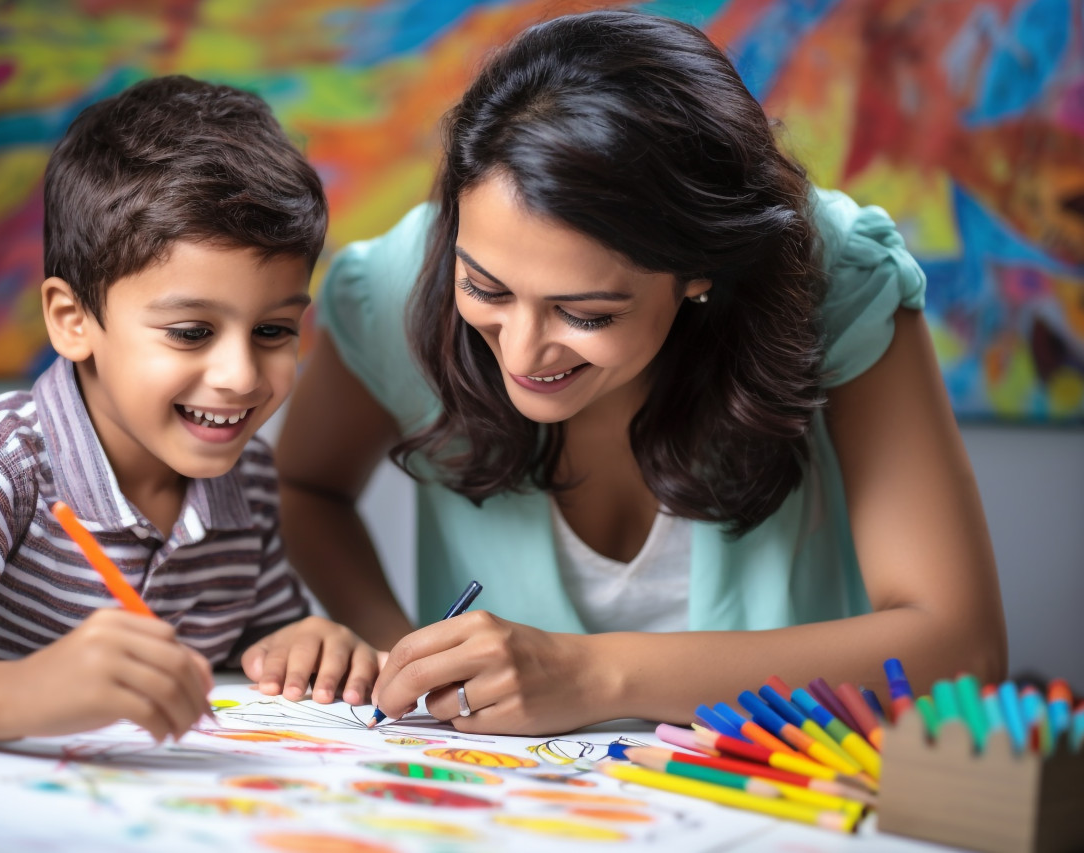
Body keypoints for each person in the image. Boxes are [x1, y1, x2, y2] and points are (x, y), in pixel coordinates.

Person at [273, 11, 1006, 736]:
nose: (523, 354)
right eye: (487, 290)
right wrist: (396, 645)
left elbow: (959, 651)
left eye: (586, 313)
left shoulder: (836, 275)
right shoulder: (406, 283)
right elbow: (305, 486)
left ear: (698, 271)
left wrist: (593, 675)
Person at [0, 76, 379, 741]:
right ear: (73, 320)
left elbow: (266, 643)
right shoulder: (0, 459)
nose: (241, 375)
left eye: (274, 331)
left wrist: (308, 641)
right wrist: (20, 694)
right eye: (191, 332)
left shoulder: (245, 475)